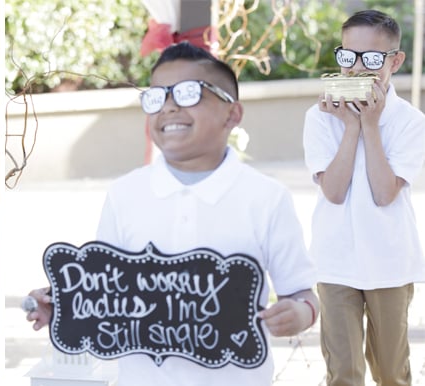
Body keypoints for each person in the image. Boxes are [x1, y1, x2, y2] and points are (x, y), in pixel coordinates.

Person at [26, 42, 318, 385]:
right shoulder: (125, 194)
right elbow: (106, 290)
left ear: (232, 114)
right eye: (156, 97)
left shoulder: (266, 198)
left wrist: (299, 313)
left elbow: (300, 292)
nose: (169, 107)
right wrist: (60, 303)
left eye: (188, 94)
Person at [303, 10, 425, 386]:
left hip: (389, 260)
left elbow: (385, 193)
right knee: (344, 373)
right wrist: (351, 128)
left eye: (372, 59)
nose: (357, 68)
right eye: (348, 56)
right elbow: (334, 192)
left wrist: (370, 125)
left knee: (391, 372)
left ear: (395, 60)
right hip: (336, 259)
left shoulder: (410, 121)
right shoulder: (320, 117)